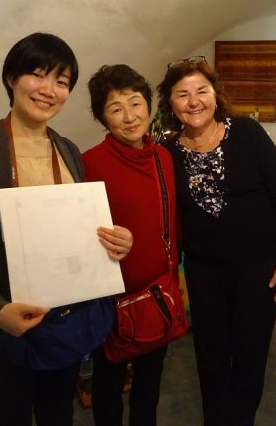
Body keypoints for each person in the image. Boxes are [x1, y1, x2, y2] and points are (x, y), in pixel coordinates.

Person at [0, 33, 133, 426]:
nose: (49, 90)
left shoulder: (67, 150)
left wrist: (114, 241)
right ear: (11, 78)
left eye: (61, 81)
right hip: (2, 327)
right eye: (38, 75)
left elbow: (77, 231)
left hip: (63, 325)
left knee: (58, 416)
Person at [156, 56, 276, 426]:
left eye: (201, 91)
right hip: (204, 272)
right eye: (182, 94)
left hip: (259, 269)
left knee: (250, 354)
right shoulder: (167, 152)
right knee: (210, 356)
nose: (194, 101)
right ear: (170, 103)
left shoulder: (248, 133)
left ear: (215, 95)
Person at [82, 64, 179, 426]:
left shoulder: (163, 158)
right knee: (107, 386)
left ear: (148, 105)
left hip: (156, 293)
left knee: (149, 386)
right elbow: (77, 232)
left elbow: (170, 223)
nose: (129, 116)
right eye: (115, 108)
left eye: (136, 103)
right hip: (110, 301)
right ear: (102, 118)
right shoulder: (89, 163)